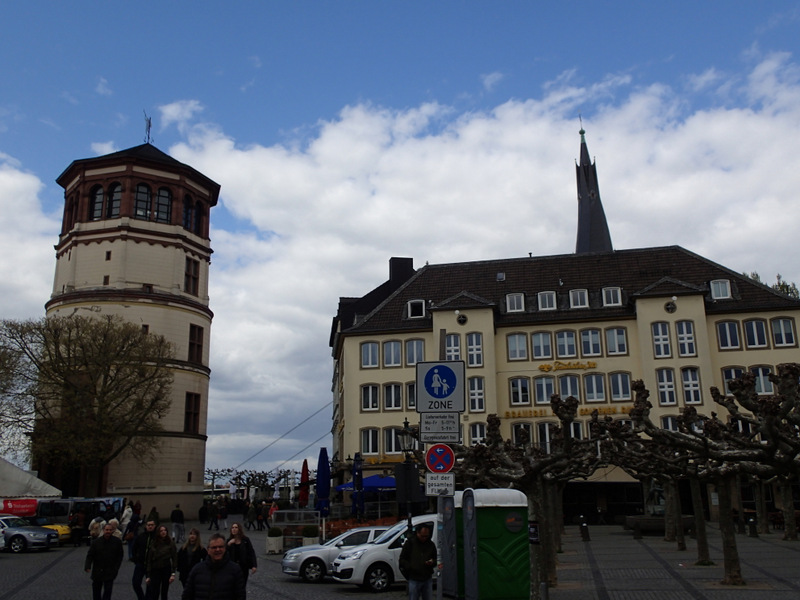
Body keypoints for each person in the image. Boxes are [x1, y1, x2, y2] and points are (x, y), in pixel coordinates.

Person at [181, 533, 244, 600]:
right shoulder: (197, 570)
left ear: (225, 548)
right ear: (208, 550)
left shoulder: (235, 570)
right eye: (214, 547)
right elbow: (187, 595)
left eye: (220, 547)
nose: (217, 550)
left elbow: (240, 596)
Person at [85, 523, 124, 600]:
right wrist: (87, 566)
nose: (108, 531)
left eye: (110, 530)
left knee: (108, 592)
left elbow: (120, 556)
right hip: (97, 570)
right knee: (96, 592)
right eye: (106, 530)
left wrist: (116, 568)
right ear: (103, 530)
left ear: (112, 531)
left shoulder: (117, 542)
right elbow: (90, 555)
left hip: (110, 570)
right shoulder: (96, 542)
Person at [399, 524, 437, 600]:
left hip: (427, 577)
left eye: (426, 536)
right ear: (417, 533)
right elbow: (402, 559)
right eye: (422, 536)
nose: (424, 538)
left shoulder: (431, 544)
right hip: (414, 578)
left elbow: (436, 559)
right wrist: (410, 567)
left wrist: (432, 562)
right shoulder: (410, 544)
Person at [146, 525, 178, 600]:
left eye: (165, 530)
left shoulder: (170, 543)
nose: (163, 532)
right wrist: (148, 574)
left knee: (164, 591)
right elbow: (149, 559)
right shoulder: (154, 543)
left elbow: (175, 558)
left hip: (165, 568)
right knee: (155, 592)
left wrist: (173, 573)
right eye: (161, 531)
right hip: (155, 569)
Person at [226, 523, 257, 591]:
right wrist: (228, 545)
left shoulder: (245, 540)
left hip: (243, 567)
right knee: (232, 587)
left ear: (239, 529)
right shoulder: (229, 541)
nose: (234, 529)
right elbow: (224, 553)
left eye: (236, 527)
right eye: (232, 527)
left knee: (242, 587)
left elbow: (251, 552)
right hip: (232, 568)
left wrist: (254, 565)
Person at [132, 519, 157, 600]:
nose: (150, 526)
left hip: (152, 565)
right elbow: (134, 548)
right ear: (146, 526)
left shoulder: (157, 537)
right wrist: (136, 559)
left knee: (150, 586)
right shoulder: (141, 536)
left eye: (151, 525)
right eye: (148, 525)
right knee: (136, 583)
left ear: (154, 526)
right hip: (140, 563)